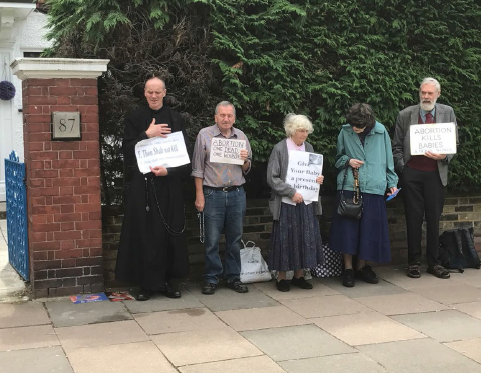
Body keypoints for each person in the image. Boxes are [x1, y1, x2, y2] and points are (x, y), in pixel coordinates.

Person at [115, 75, 190, 301]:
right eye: (150, 92)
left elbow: (185, 156)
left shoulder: (175, 119)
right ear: (144, 93)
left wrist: (169, 172)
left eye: (158, 92)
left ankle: (168, 282)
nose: (154, 96)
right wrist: (146, 135)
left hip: (168, 184)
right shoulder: (135, 118)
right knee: (145, 234)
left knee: (169, 234)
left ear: (165, 93)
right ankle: (146, 285)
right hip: (144, 187)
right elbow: (126, 151)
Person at [393, 77, 457, 279]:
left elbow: (453, 141)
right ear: (419, 93)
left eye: (430, 93)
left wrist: (445, 156)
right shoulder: (405, 115)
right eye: (423, 92)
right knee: (413, 219)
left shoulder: (447, 112)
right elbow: (396, 146)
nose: (426, 96)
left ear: (438, 94)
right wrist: (404, 168)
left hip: (435, 174)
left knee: (433, 219)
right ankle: (413, 263)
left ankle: (434, 263)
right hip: (412, 173)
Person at [330, 103, 398, 287]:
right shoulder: (345, 131)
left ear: (368, 123)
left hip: (374, 186)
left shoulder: (381, 131)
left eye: (358, 127)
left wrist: (392, 183)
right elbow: (337, 159)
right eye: (352, 125)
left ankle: (362, 267)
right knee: (347, 230)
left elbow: (388, 159)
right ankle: (348, 269)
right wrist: (348, 161)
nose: (354, 129)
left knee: (369, 230)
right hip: (350, 185)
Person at [192, 101, 252, 295]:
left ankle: (233, 277)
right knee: (212, 240)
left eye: (229, 116)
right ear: (215, 117)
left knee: (235, 239)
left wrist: (244, 161)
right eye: (222, 115)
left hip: (236, 193)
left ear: (234, 118)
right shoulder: (204, 135)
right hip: (212, 193)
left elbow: (247, 167)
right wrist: (199, 195)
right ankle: (211, 278)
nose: (226, 119)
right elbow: (197, 168)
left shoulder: (241, 136)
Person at [267, 114, 325, 292]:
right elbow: (272, 177)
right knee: (285, 238)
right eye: (301, 130)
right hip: (286, 202)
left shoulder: (309, 147)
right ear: (292, 131)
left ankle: (300, 275)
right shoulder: (279, 149)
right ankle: (282, 277)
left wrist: (318, 179)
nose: (305, 134)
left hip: (306, 202)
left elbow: (312, 172)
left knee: (304, 237)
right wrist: (291, 192)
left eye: (307, 131)